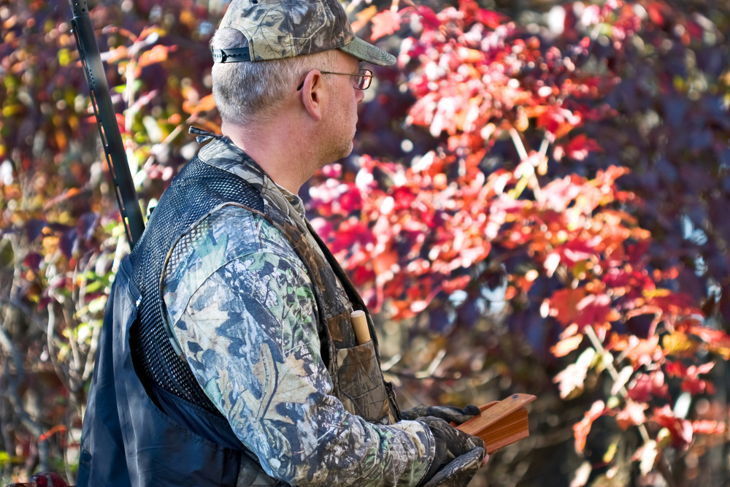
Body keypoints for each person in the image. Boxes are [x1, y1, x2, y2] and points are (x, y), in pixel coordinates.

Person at [76, 1, 486, 486]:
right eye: (355, 78)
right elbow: (313, 454)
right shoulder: (240, 248)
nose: (360, 95)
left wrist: (404, 429)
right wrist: (428, 445)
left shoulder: (229, 201)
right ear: (313, 91)